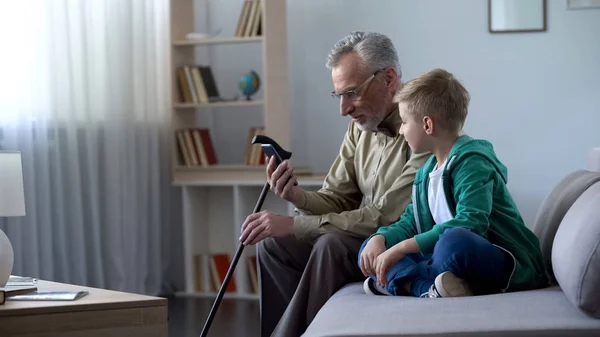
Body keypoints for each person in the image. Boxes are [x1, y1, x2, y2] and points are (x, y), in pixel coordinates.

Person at [238, 31, 431, 337]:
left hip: (398, 243)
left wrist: (294, 224)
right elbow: (339, 197)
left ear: (389, 79)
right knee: (274, 246)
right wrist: (298, 197)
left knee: (330, 244)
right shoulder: (360, 127)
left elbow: (387, 217)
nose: (344, 108)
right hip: (358, 240)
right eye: (338, 95)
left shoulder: (422, 126)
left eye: (351, 92)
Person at [358, 68, 548, 299]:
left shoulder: (472, 163)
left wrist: (400, 249)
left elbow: (471, 224)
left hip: (504, 261)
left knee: (453, 242)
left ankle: (406, 283)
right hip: (447, 259)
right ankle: (430, 287)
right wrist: (382, 238)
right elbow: (410, 222)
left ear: (427, 125)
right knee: (370, 247)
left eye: (405, 122)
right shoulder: (426, 172)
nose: (400, 130)